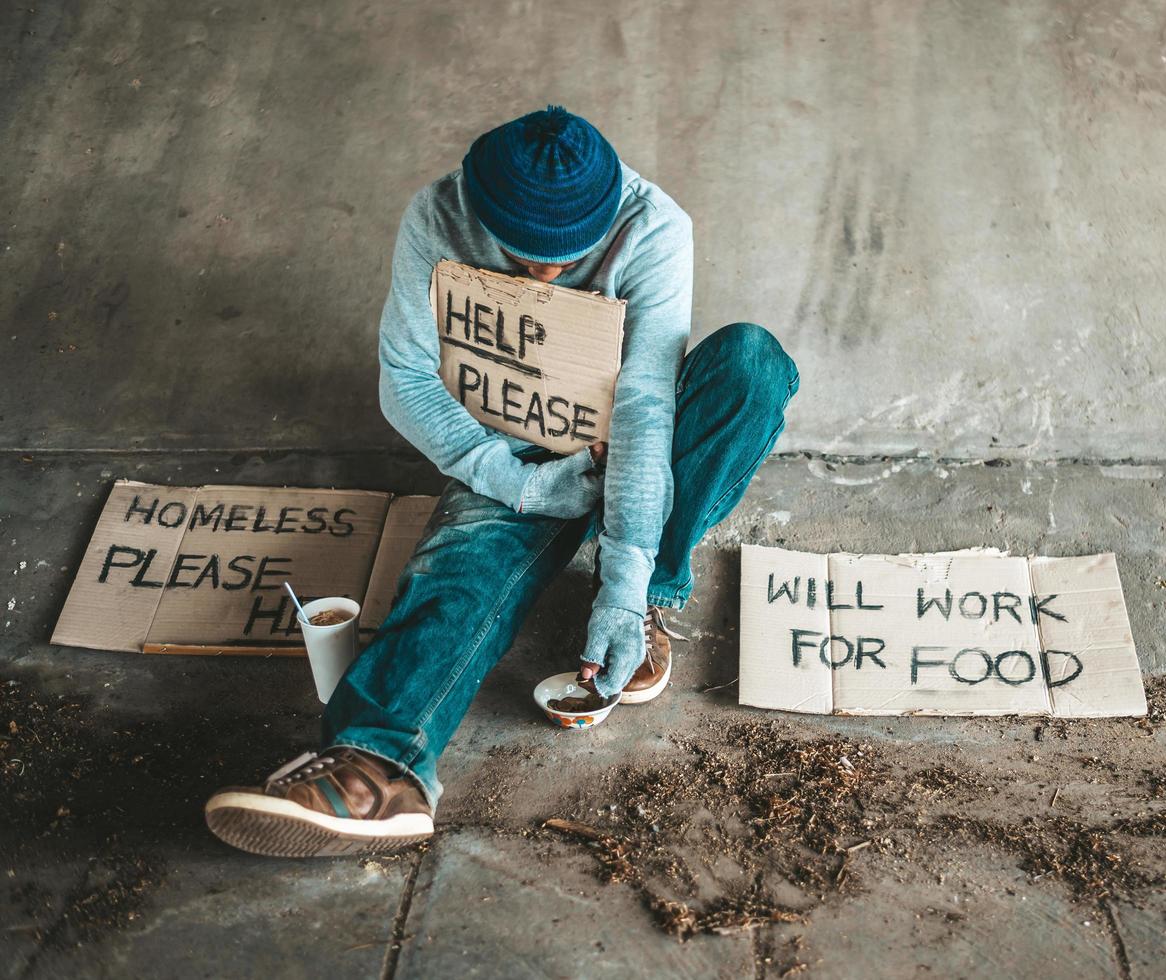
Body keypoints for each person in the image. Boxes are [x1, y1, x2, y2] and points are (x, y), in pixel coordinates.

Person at [203, 106, 799, 857]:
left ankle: (646, 603)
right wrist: (515, 482)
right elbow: (406, 380)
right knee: (456, 575)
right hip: (511, 447)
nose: (546, 273)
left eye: (566, 257)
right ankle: (375, 766)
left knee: (751, 364)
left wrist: (622, 584)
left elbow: (646, 408)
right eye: (524, 256)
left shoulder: (654, 227)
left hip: (628, 433)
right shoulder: (438, 213)